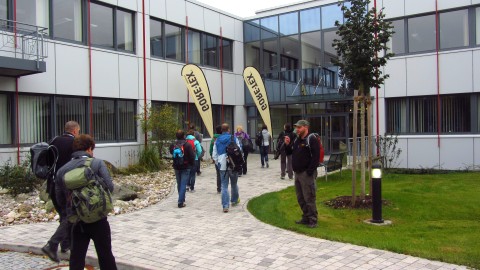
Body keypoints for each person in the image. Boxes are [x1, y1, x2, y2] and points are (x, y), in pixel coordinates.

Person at [55, 134, 117, 269]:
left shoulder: (62, 170)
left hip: (76, 220)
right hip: (98, 217)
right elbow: (110, 187)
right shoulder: (97, 163)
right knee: (105, 254)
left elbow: (59, 198)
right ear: (89, 149)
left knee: (77, 256)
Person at [41, 121, 80, 262]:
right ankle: (52, 244)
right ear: (75, 131)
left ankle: (65, 245)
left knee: (64, 214)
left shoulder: (53, 140)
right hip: (66, 185)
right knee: (69, 215)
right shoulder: (74, 143)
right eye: (78, 131)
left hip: (52, 184)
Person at [284, 120, 320, 228]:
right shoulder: (296, 140)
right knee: (300, 198)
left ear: (305, 127)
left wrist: (309, 171)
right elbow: (290, 153)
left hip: (306, 174)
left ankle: (313, 220)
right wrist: (286, 145)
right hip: (297, 174)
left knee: (309, 197)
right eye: (296, 127)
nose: (297, 129)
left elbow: (316, 157)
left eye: (299, 127)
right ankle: (306, 217)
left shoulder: (311, 139)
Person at [212, 123, 241, 213]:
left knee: (224, 186)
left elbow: (214, 154)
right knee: (234, 184)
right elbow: (240, 149)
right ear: (228, 130)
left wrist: (218, 163)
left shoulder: (217, 140)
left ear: (221, 130)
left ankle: (225, 206)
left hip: (222, 164)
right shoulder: (233, 138)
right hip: (233, 164)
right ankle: (234, 200)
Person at [170, 129, 195, 207]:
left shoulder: (173, 145)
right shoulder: (187, 145)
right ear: (184, 136)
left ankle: (181, 198)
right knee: (183, 184)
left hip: (176, 166)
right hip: (186, 166)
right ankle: (181, 201)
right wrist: (191, 164)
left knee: (179, 183)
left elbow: (171, 153)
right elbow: (192, 156)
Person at [209, 125, 223, 193]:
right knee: (223, 173)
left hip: (216, 158)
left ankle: (219, 188)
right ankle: (223, 186)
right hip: (223, 157)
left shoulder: (213, 138)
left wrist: (212, 156)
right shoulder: (222, 138)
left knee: (218, 173)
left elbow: (211, 148)